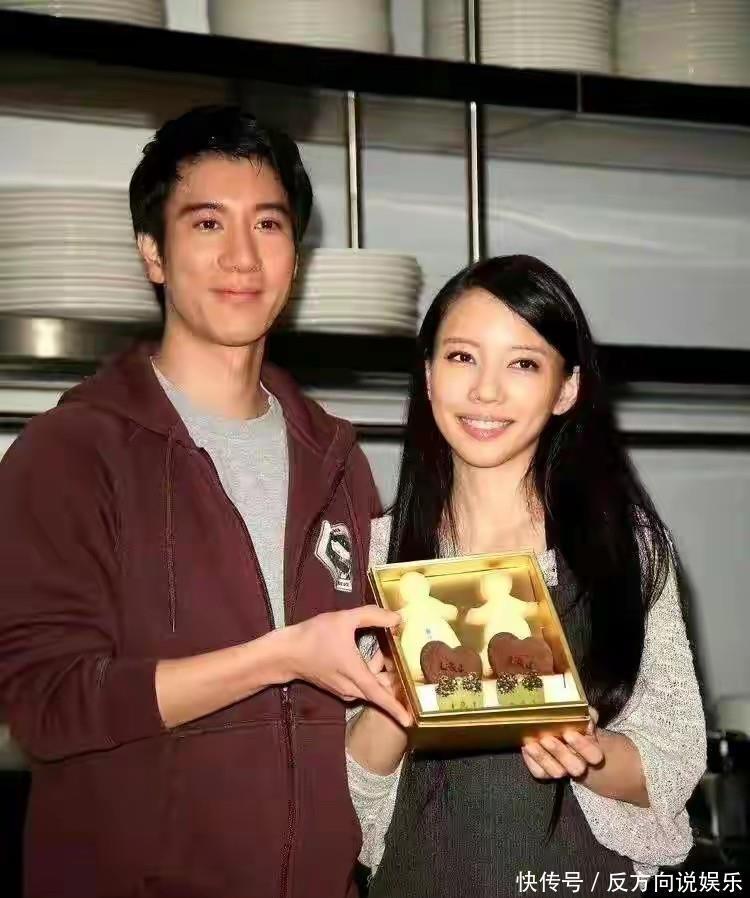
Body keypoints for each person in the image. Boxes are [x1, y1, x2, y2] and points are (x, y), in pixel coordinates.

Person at [0, 105, 409, 898]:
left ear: (296, 257)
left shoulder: (337, 461)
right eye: (208, 223)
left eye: (268, 224)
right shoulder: (71, 453)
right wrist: (276, 658)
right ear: (153, 252)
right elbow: (46, 704)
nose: (242, 256)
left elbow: (360, 710)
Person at [345, 255, 706, 896]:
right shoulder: (374, 556)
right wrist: (390, 708)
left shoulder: (627, 549)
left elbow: (674, 759)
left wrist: (588, 754)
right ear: (428, 374)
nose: (486, 391)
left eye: (523, 364)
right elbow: (339, 801)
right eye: (462, 357)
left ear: (566, 388)